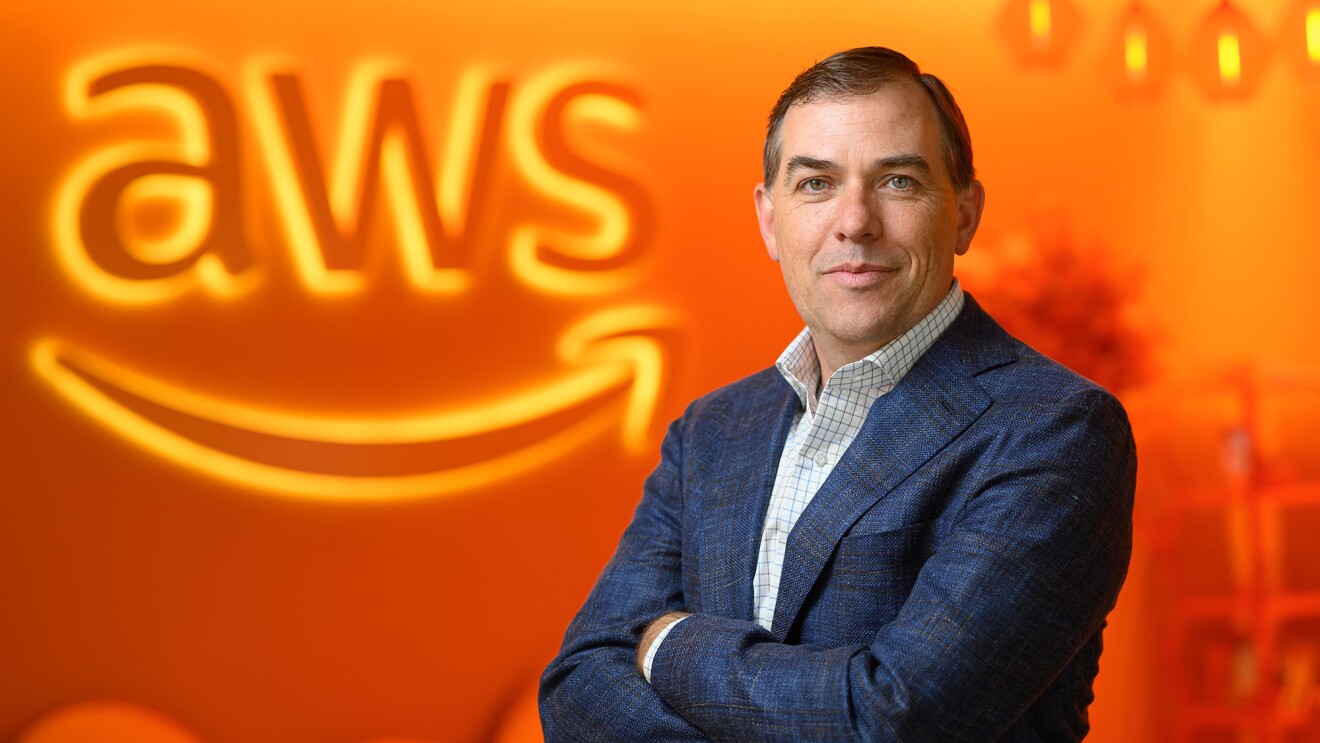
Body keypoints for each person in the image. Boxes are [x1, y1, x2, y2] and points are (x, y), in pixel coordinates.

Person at [539, 46, 1136, 742]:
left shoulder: (1056, 430)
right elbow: (578, 687)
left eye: (899, 182)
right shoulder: (711, 432)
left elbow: (890, 720)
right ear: (769, 219)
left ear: (965, 212)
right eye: (816, 184)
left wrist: (667, 645)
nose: (855, 221)